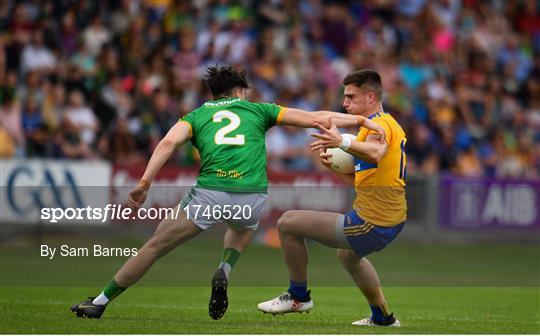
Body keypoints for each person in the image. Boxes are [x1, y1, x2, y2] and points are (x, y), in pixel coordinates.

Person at [70, 66, 386, 320]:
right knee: (240, 230)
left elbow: (167, 143)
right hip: (251, 195)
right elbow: (317, 119)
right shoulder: (259, 109)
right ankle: (225, 269)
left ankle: (99, 302)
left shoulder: (195, 116)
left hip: (210, 192)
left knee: (154, 246)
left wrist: (144, 184)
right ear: (239, 92)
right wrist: (361, 120)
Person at [257, 69, 406, 327]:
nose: (345, 103)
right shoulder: (384, 124)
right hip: (390, 219)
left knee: (287, 222)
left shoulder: (379, 125)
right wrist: (332, 166)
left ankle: (297, 296)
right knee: (347, 256)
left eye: (351, 97)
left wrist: (342, 142)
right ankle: (383, 317)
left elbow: (376, 152)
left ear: (371, 97)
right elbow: (362, 179)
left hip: (372, 223)